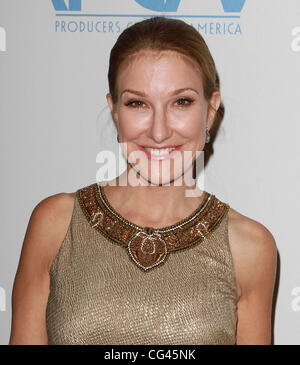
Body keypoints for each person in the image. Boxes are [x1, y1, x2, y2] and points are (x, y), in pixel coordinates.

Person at [9, 16, 277, 345]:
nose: (159, 131)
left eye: (182, 102)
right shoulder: (55, 224)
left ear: (210, 110)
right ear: (115, 111)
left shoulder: (248, 247)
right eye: (138, 103)